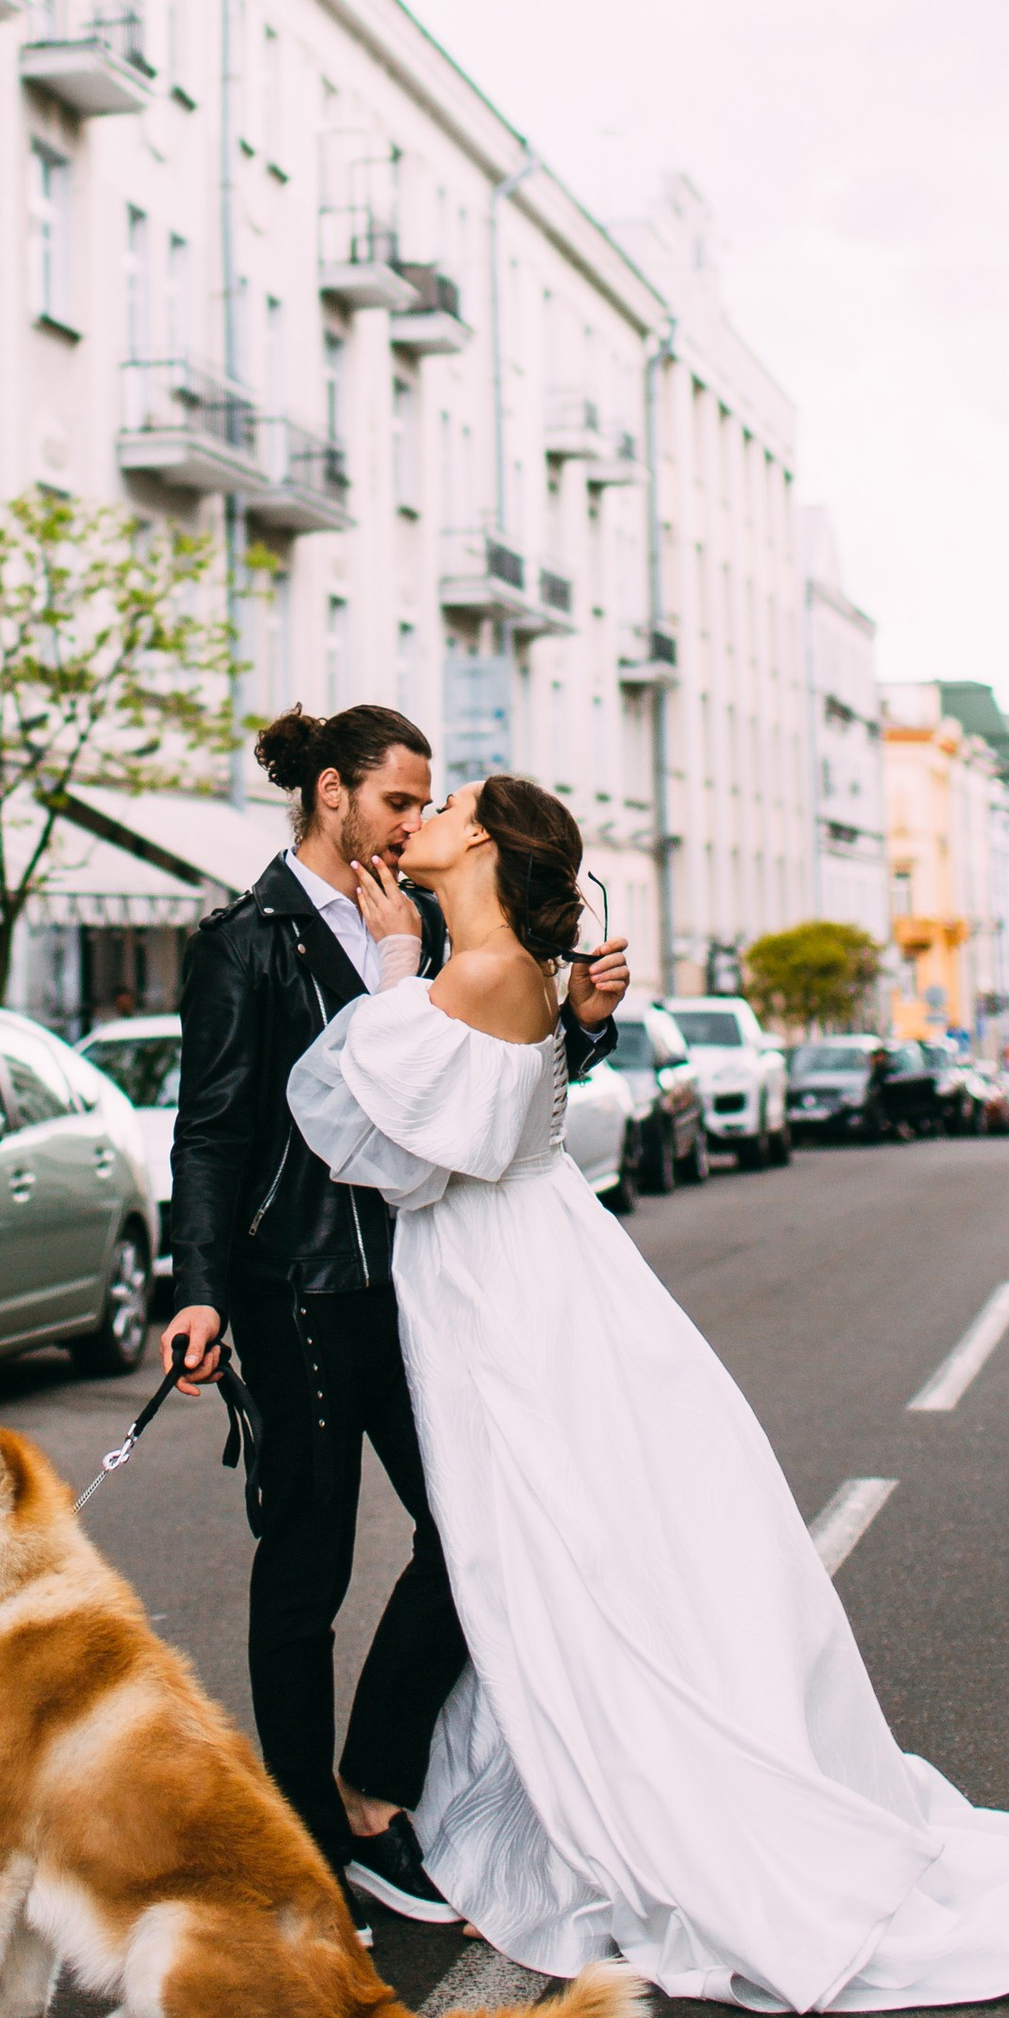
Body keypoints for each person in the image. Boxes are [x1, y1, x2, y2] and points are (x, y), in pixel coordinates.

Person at [285, 771, 1009, 2015]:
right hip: (520, 1269)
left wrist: (389, 956)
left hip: (505, 1292)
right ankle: (493, 1774)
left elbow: (386, 1110)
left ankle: (536, 1786)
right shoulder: (499, 969)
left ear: (484, 844)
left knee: (530, 1534)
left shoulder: (471, 970)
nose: (420, 817)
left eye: (444, 804)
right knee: (534, 1538)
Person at [160, 703, 624, 1925]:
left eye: (427, 805)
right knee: (304, 1563)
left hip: (421, 1288)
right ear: (331, 796)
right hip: (299, 1291)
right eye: (398, 800)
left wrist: (584, 1027)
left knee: (472, 1538)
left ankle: (378, 1783)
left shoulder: (412, 922)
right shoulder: (244, 942)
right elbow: (210, 1130)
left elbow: (487, 1089)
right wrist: (198, 1285)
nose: (414, 821)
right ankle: (310, 1839)